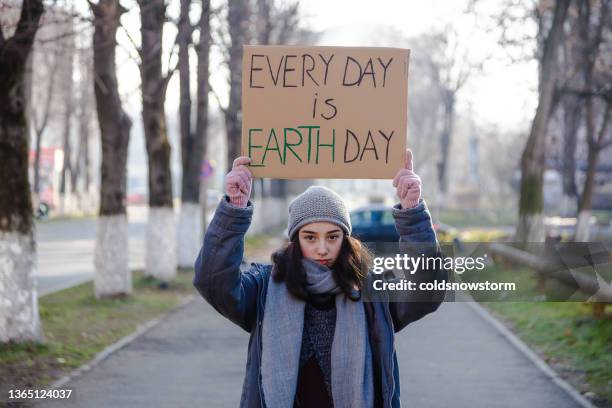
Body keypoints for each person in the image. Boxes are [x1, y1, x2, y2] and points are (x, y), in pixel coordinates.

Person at [194, 149, 447, 408]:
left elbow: (425, 292)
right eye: (310, 237)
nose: (322, 248)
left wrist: (413, 213)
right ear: (295, 240)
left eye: (333, 236)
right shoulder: (265, 289)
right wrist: (233, 212)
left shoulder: (372, 290)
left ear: (346, 239)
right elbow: (214, 283)